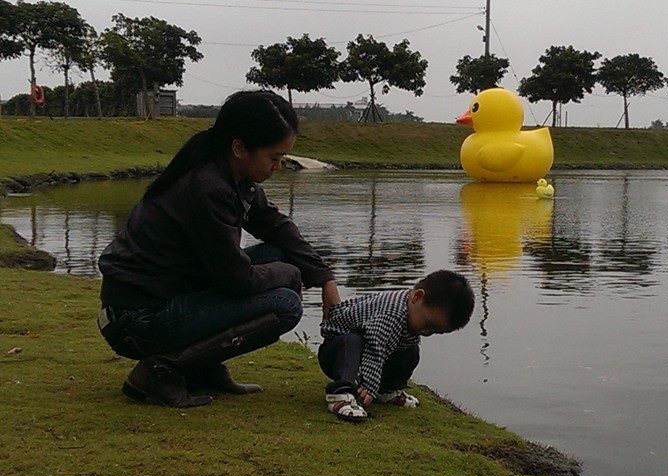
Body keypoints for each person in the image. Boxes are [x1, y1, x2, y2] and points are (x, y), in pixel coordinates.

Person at [97, 90, 341, 408]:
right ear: (240, 147)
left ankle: (200, 366)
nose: (278, 166)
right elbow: (236, 280)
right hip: (137, 317)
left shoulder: (230, 172)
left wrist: (325, 278)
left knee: (281, 254)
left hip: (167, 294)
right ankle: (161, 371)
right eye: (274, 157)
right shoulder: (207, 186)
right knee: (286, 304)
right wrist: (293, 274)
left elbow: (275, 226)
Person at [319, 270, 474, 422]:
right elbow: (375, 348)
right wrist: (369, 385)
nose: (426, 332)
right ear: (417, 296)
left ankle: (387, 390)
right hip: (337, 352)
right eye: (428, 324)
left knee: (411, 350)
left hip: (368, 348)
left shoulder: (410, 310)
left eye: (435, 331)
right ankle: (340, 395)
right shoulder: (392, 314)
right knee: (352, 341)